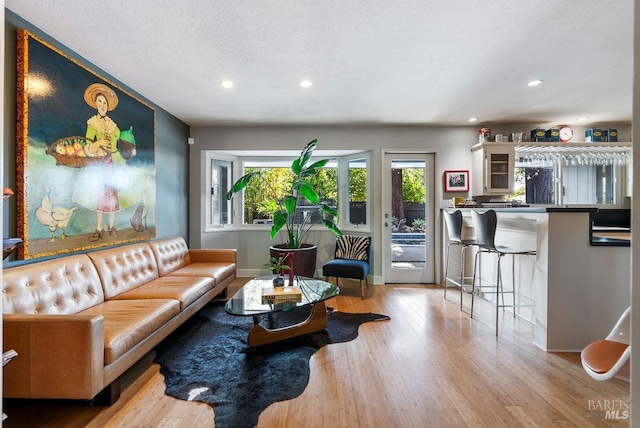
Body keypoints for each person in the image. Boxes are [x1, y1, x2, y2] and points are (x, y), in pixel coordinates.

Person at [76, 83, 136, 242]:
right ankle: (99, 228)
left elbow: (123, 139)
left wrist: (131, 148)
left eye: (105, 103)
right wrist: (99, 142)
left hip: (113, 163)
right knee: (99, 195)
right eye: (100, 102)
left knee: (112, 195)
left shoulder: (113, 125)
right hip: (99, 163)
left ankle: (112, 226)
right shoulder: (92, 123)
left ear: (108, 106)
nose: (102, 105)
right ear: (95, 103)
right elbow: (87, 144)